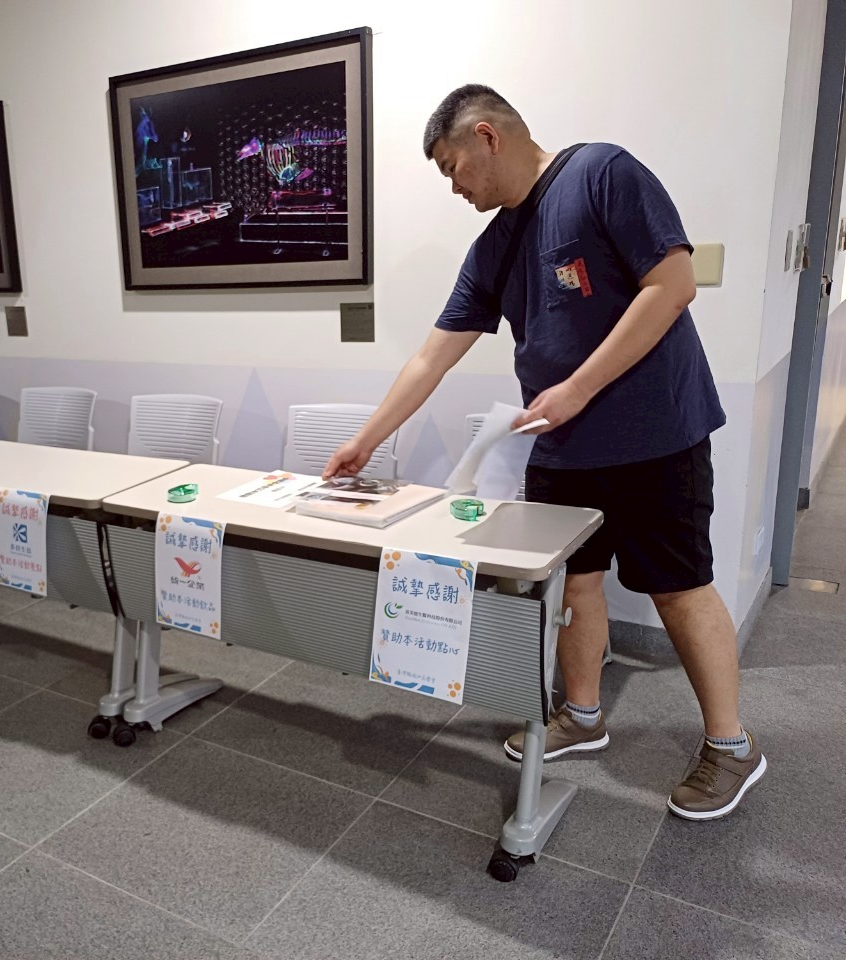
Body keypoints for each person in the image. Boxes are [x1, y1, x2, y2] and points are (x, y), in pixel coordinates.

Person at [324, 84, 767, 820]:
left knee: (678, 587)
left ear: (486, 136)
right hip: (562, 448)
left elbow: (673, 285)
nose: (455, 188)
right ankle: (582, 715)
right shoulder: (494, 247)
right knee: (576, 586)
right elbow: (433, 356)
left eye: (453, 169)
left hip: (656, 436)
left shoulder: (601, 174)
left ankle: (731, 746)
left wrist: (579, 388)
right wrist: (364, 442)